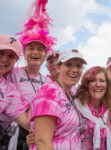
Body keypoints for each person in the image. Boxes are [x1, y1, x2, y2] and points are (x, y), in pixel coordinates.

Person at [7, 0, 56, 149]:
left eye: (40, 49)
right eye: (31, 48)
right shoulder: (12, 74)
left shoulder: (48, 82)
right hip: (15, 137)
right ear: (24, 52)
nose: (35, 52)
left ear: (45, 54)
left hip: (42, 137)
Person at [29, 49, 87, 150]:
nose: (74, 70)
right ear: (58, 68)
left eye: (78, 66)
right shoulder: (49, 92)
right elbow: (42, 142)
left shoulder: (70, 93)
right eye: (68, 64)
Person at [74, 66, 111, 150]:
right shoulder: (75, 107)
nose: (98, 84)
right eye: (93, 80)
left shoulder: (107, 109)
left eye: (102, 81)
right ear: (87, 84)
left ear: (107, 85)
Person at [0, 34, 30, 149]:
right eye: (1, 52)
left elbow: (27, 123)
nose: (4, 59)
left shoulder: (10, 90)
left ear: (16, 61)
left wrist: (42, 95)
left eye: (11, 56)